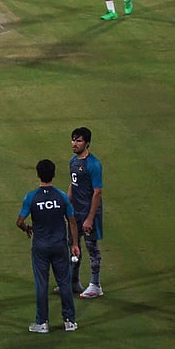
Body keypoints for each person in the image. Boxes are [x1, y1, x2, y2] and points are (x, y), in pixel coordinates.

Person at [17, 158, 81, 333]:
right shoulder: (61, 196)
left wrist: (27, 228)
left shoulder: (31, 197)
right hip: (60, 246)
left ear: (38, 174)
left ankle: (42, 322)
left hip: (40, 247)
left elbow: (20, 221)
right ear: (53, 174)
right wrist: (75, 244)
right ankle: (69, 321)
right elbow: (72, 221)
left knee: (42, 284)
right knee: (65, 283)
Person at [68, 127, 104, 299]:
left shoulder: (93, 165)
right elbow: (73, 184)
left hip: (90, 213)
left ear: (87, 143)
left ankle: (95, 285)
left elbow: (97, 192)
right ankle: (73, 282)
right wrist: (67, 205)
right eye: (73, 139)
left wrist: (90, 218)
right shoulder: (73, 161)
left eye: (79, 140)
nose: (75, 143)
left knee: (92, 248)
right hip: (76, 212)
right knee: (73, 246)